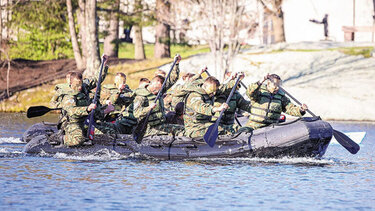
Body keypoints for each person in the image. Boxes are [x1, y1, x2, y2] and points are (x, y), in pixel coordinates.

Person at [58, 72, 114, 146]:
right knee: (78, 139)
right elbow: (72, 111)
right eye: (77, 85)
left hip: (84, 122)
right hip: (72, 123)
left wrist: (104, 64)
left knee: (108, 132)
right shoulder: (68, 96)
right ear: (71, 83)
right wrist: (87, 109)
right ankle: (60, 138)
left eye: (81, 84)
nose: (80, 87)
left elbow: (97, 79)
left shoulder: (83, 86)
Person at [133, 55, 183, 137]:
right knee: (178, 130)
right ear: (152, 84)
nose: (159, 92)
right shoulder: (141, 96)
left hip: (161, 124)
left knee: (180, 127)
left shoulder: (159, 90)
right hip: (149, 129)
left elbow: (171, 80)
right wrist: (149, 108)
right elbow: (137, 113)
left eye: (160, 90)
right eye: (156, 89)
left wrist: (176, 64)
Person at [183, 74, 240, 138]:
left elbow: (224, 88)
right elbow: (201, 107)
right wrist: (217, 109)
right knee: (223, 130)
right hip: (194, 128)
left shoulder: (211, 91)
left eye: (215, 91)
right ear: (205, 87)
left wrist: (237, 81)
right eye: (212, 91)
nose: (214, 94)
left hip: (206, 124)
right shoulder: (194, 95)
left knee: (233, 127)